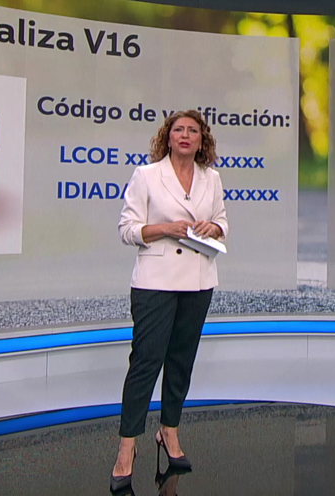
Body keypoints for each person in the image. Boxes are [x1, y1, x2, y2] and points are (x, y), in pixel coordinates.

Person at [110, 110, 227, 492]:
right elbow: (127, 229)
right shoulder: (147, 175)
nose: (185, 135)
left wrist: (214, 227)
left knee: (181, 361)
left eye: (193, 130)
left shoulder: (212, 178)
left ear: (201, 139)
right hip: (155, 282)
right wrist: (165, 229)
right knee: (146, 362)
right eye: (179, 129)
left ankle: (170, 431)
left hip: (198, 280)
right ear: (168, 136)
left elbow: (223, 221)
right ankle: (127, 446)